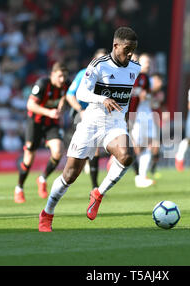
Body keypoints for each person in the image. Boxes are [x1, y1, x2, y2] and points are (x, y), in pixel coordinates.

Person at [38, 27, 140, 232]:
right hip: (92, 121)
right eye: (127, 49)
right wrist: (103, 99)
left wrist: (125, 123)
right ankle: (47, 212)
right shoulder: (98, 64)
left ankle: (98, 194)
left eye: (133, 50)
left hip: (115, 123)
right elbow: (82, 93)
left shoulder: (135, 68)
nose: (130, 54)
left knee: (127, 156)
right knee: (70, 175)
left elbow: (126, 99)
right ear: (115, 45)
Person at [14, 62, 69, 203]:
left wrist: (62, 105)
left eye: (64, 76)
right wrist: (49, 112)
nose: (62, 79)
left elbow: (65, 97)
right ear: (52, 74)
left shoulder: (65, 85)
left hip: (51, 123)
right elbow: (30, 105)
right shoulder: (42, 84)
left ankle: (42, 178)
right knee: (28, 158)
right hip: (36, 123)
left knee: (58, 151)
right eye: (59, 76)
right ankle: (19, 188)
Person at [65, 48, 107, 189]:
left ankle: (94, 185)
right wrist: (80, 110)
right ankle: (93, 184)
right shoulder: (83, 74)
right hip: (82, 113)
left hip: (99, 114)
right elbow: (70, 95)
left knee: (95, 148)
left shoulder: (110, 77)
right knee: (88, 147)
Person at [130, 53, 157, 188]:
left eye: (148, 62)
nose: (147, 64)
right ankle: (139, 175)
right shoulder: (130, 76)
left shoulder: (146, 79)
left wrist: (150, 97)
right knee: (137, 146)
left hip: (147, 114)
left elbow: (149, 98)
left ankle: (142, 175)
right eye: (144, 62)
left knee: (150, 144)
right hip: (136, 115)